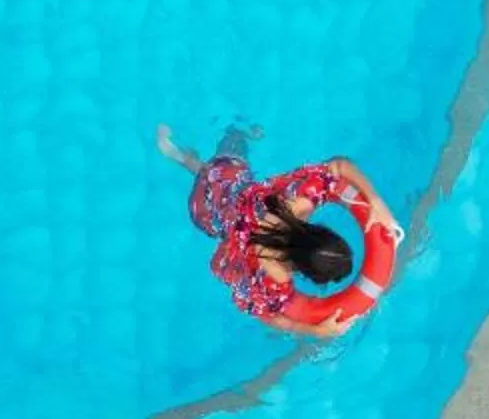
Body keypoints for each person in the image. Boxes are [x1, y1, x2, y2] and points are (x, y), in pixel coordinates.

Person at [157, 123, 402, 336]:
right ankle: (181, 158)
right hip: (205, 215)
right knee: (202, 178)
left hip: (227, 175)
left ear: (318, 229)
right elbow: (270, 317)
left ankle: (186, 151)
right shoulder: (271, 280)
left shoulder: (298, 201)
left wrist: (375, 201)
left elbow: (339, 165)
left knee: (228, 148)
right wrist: (316, 330)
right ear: (304, 274)